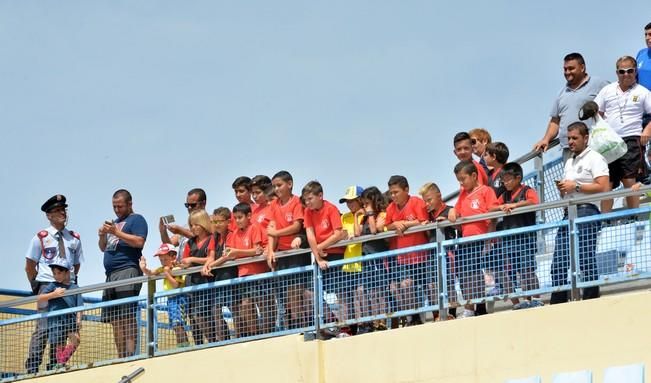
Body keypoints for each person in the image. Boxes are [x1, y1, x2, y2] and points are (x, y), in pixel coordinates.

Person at [550, 122, 609, 304]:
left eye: (575, 138)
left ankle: (591, 298)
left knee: (584, 257)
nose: (571, 142)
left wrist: (575, 186)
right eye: (568, 138)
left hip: (587, 210)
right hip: (569, 213)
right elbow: (570, 187)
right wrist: (564, 189)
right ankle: (558, 300)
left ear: (586, 138)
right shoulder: (569, 161)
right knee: (559, 260)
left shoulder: (595, 158)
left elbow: (604, 187)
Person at [24, 194, 83, 374]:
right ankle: (32, 367)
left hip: (67, 286)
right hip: (47, 285)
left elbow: (77, 264)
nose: (62, 213)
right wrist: (38, 286)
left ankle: (53, 366)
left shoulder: (74, 238)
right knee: (43, 328)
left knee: (63, 327)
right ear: (48, 215)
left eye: (63, 209)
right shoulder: (40, 237)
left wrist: (67, 282)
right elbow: (29, 265)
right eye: (57, 211)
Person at [594, 56, 651, 212]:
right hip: (610, 141)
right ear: (617, 73)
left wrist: (647, 130)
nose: (626, 74)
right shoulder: (607, 90)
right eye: (622, 71)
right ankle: (604, 221)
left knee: (629, 179)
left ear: (635, 71)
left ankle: (634, 216)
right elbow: (597, 111)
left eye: (630, 71)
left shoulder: (642, 92)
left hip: (631, 139)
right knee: (607, 182)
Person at [99, 189, 147, 359]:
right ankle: (121, 357)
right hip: (110, 275)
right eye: (114, 206)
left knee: (127, 315)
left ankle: (130, 355)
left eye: (120, 206)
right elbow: (104, 247)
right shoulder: (115, 223)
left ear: (129, 204)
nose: (117, 210)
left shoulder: (137, 219)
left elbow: (139, 241)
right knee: (115, 319)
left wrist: (116, 232)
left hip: (128, 270)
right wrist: (102, 235)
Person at [534, 53, 609, 159]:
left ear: (582, 67)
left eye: (571, 68)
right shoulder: (561, 94)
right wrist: (546, 139)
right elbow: (555, 121)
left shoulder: (598, 84)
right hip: (569, 150)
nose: (567, 72)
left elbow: (614, 101)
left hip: (594, 146)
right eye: (565, 69)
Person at [449, 161, 498, 318]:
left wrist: (488, 238)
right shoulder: (463, 194)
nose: (461, 183)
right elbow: (456, 211)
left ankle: (478, 305)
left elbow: (493, 214)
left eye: (463, 179)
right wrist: (452, 212)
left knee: (475, 274)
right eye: (459, 180)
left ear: (474, 176)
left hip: (480, 239)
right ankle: (469, 308)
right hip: (465, 241)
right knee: (464, 274)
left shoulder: (486, 191)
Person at [490, 162, 542, 309]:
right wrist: (500, 207)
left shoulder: (527, 190)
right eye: (503, 180)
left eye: (508, 179)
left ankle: (536, 298)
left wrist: (515, 205)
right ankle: (524, 300)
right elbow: (491, 208)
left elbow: (534, 202)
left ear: (518, 178)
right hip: (508, 241)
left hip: (525, 238)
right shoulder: (504, 195)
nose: (505, 183)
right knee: (516, 271)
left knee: (527, 270)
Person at [302, 181, 347, 335]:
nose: (307, 203)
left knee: (340, 291)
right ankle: (330, 323)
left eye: (310, 199)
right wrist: (318, 256)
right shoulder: (308, 212)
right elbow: (310, 234)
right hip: (319, 255)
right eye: (305, 200)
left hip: (336, 253)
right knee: (311, 292)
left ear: (320, 196)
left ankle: (346, 325)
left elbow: (338, 234)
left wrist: (320, 248)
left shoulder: (331, 208)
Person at [266, 170, 309, 329]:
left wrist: (276, 233)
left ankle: (301, 325)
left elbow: (297, 226)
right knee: (283, 293)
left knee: (295, 291)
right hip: (281, 254)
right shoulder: (273, 205)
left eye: (279, 185)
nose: (276, 189)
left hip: (296, 253)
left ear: (289, 184)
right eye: (274, 186)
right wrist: (271, 251)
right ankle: (290, 326)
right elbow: (271, 228)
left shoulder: (297, 201)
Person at [384, 175, 429, 326]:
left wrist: (404, 223)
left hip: (422, 254)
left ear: (406, 190)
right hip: (403, 257)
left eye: (396, 192)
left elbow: (422, 221)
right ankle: (413, 318)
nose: (393, 196)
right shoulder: (391, 207)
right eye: (391, 193)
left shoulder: (417, 202)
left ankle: (437, 314)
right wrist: (397, 223)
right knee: (405, 285)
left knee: (428, 284)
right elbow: (387, 225)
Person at [225, 203, 271, 337]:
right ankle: (254, 334)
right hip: (243, 276)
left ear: (249, 216)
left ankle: (267, 334)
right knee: (246, 305)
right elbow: (229, 253)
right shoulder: (234, 234)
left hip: (258, 274)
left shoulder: (254, 227)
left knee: (262, 303)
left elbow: (257, 250)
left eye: (240, 217)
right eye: (236, 218)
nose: (237, 221)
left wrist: (237, 252)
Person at [418, 182, 457, 319]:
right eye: (425, 201)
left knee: (449, 282)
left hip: (448, 253)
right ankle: (436, 315)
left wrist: (447, 219)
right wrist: (424, 224)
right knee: (432, 283)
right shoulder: (427, 215)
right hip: (432, 254)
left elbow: (458, 225)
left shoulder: (450, 209)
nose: (427, 204)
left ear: (439, 196)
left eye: (429, 200)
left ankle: (452, 313)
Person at [139, 243, 189, 347]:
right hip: (170, 300)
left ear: (173, 257)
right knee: (174, 324)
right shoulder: (163, 268)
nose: (163, 262)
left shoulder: (176, 270)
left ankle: (185, 345)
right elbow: (151, 272)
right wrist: (143, 268)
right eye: (161, 260)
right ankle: (181, 345)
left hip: (179, 298)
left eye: (165, 259)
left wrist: (167, 274)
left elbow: (175, 285)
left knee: (178, 324)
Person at [37, 258, 83, 369]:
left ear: (67, 272)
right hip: (56, 320)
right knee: (59, 344)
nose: (56, 276)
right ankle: (60, 364)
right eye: (54, 273)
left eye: (59, 273)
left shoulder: (75, 287)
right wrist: (54, 294)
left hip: (70, 320)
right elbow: (40, 298)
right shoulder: (53, 286)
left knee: (76, 340)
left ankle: (60, 363)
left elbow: (80, 306)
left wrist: (79, 319)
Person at [355, 186, 390, 331]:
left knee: (380, 289)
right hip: (366, 256)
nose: (364, 206)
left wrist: (370, 213)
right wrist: (357, 217)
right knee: (370, 290)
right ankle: (375, 319)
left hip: (378, 256)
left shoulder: (381, 214)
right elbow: (357, 234)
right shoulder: (364, 217)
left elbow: (374, 230)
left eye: (366, 202)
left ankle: (382, 320)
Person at [202, 207, 238, 341]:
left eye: (219, 221)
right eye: (214, 222)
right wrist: (207, 265)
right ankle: (223, 340)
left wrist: (211, 265)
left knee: (234, 308)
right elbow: (211, 256)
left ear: (228, 221)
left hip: (231, 276)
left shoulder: (232, 234)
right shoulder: (214, 237)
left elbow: (226, 256)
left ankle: (240, 337)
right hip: (218, 279)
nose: (216, 225)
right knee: (216, 310)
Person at [181, 209, 217, 344]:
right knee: (192, 315)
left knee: (204, 313)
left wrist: (191, 259)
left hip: (206, 281)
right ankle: (199, 345)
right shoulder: (189, 242)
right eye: (191, 225)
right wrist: (181, 263)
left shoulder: (211, 238)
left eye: (197, 224)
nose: (194, 228)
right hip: (191, 282)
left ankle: (214, 342)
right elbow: (185, 261)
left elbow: (211, 258)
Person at [339, 185, 365, 333]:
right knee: (344, 297)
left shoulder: (365, 215)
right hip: (347, 264)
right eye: (347, 201)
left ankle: (362, 326)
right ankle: (349, 328)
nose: (349, 204)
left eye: (352, 201)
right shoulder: (344, 217)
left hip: (361, 262)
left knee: (360, 295)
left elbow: (359, 234)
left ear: (361, 199)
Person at [160, 188, 207, 262]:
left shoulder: (210, 220)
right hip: (184, 269)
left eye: (193, 205)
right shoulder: (185, 226)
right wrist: (163, 231)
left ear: (203, 204)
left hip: (199, 268)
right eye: (187, 205)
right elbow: (169, 245)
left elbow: (206, 239)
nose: (189, 208)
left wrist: (181, 231)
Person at [637, 22, 651, 129]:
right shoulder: (641, 54)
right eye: (645, 35)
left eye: (650, 35)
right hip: (641, 110)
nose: (647, 38)